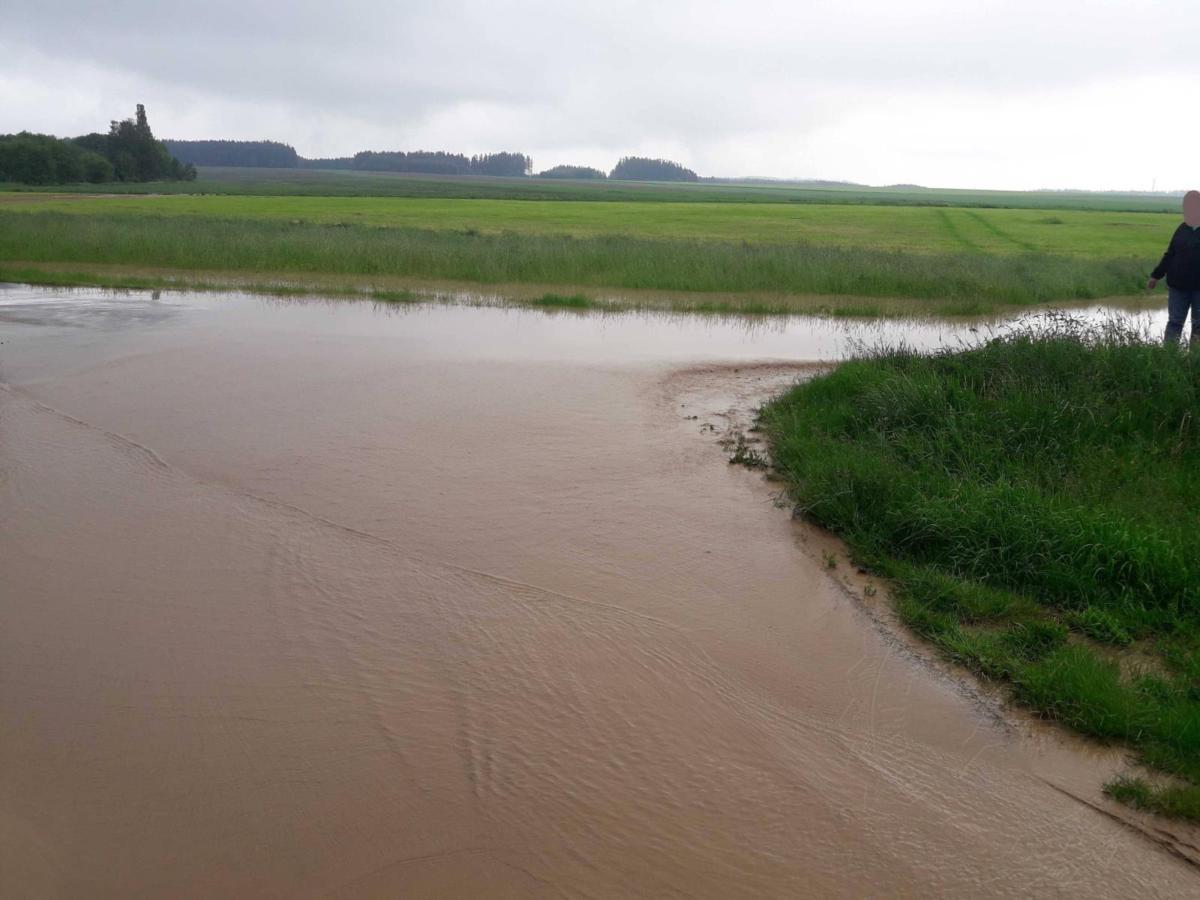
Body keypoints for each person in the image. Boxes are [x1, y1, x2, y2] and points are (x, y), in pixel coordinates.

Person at [1148, 190, 1200, 345]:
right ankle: (1169, 357)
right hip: (1178, 286)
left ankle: (1195, 361)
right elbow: (1170, 254)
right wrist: (1156, 276)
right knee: (1175, 323)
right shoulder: (1182, 229)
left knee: (1198, 325)